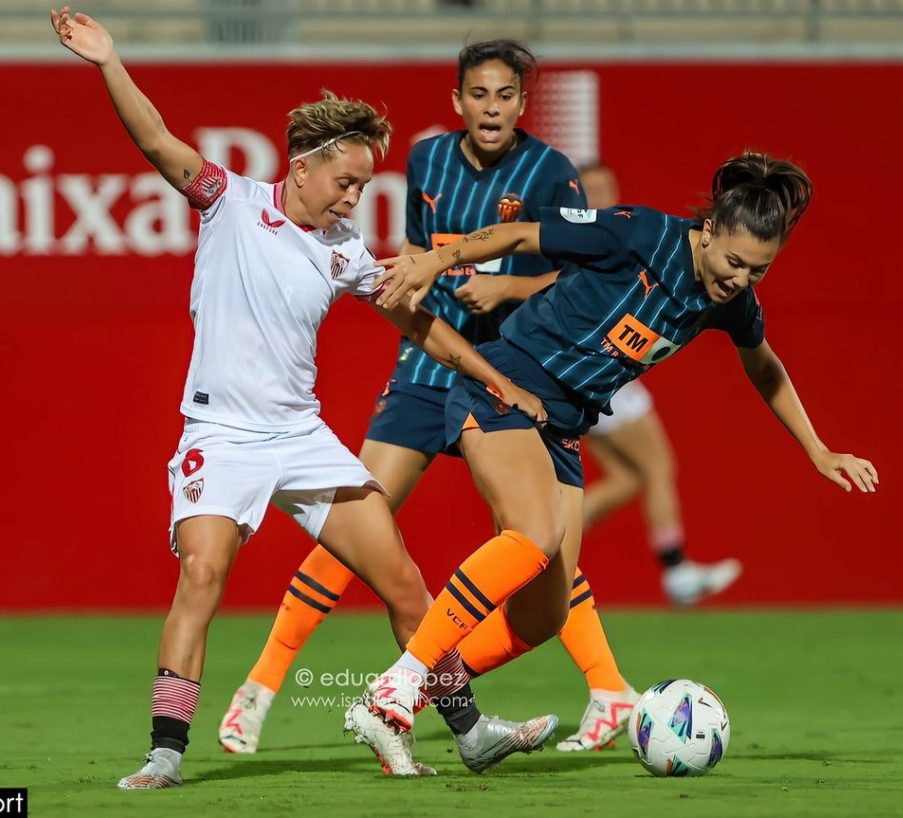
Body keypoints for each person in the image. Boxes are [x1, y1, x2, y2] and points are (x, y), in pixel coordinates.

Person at [49, 7, 559, 788]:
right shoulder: (227, 199)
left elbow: (422, 328)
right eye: (346, 181)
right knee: (202, 576)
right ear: (302, 166)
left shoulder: (344, 251)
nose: (354, 198)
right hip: (219, 435)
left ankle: (471, 729)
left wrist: (498, 381)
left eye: (364, 184)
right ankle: (164, 754)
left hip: (300, 439)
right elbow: (156, 140)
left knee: (403, 583)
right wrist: (108, 60)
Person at [356, 152, 878, 757]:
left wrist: (816, 449)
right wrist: (435, 258)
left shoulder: (729, 300)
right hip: (505, 384)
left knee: (543, 618)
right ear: (708, 232)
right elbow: (523, 233)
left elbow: (765, 367)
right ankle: (403, 678)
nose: (739, 279)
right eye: (733, 261)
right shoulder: (638, 231)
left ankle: (393, 703)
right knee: (533, 533)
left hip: (564, 425)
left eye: (757, 272)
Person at [218, 40, 639, 759]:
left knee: (536, 541)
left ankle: (605, 686)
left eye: (505, 96)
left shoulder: (552, 173)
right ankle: (257, 689)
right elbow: (418, 253)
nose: (492, 109)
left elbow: (581, 280)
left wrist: (507, 288)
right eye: (479, 95)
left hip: (512, 371)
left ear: (521, 104)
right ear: (458, 100)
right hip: (426, 366)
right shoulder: (428, 161)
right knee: (355, 511)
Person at [578, 163, 741, 607]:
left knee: (628, 478)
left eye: (609, 187)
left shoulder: (620, 233)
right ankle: (676, 570)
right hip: (608, 370)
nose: (606, 197)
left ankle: (545, 539)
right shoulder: (591, 239)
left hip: (598, 372)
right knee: (658, 467)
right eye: (594, 190)